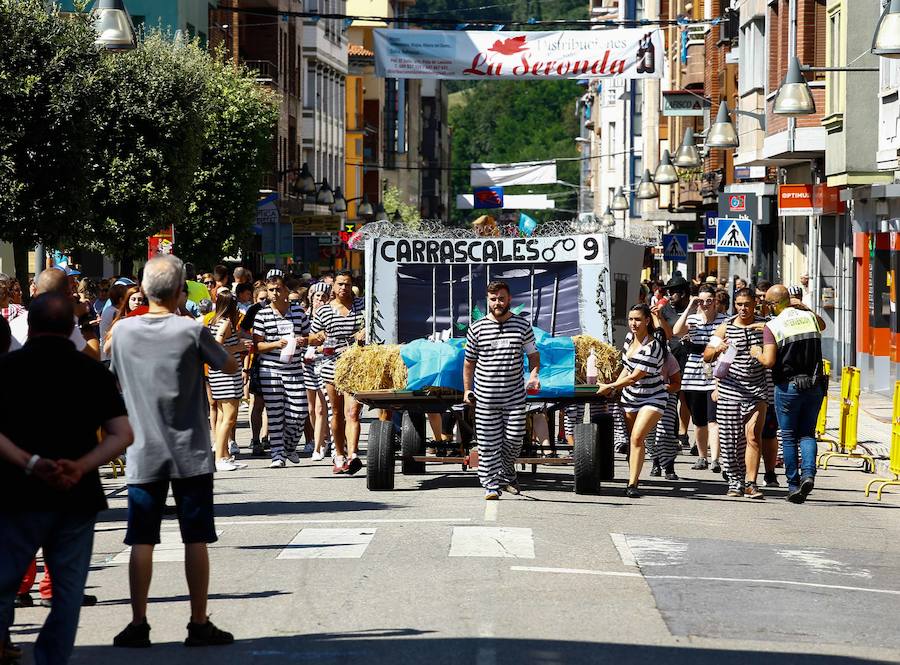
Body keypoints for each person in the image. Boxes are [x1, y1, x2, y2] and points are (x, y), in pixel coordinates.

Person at [107, 255, 238, 648]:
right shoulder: (190, 330)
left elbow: (112, 375)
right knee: (195, 539)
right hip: (190, 451)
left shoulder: (124, 333)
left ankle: (138, 622)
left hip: (142, 450)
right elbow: (228, 365)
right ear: (181, 291)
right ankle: (198, 622)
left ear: (144, 291)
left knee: (141, 541)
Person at [0, 293, 133, 665]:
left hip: (16, 491)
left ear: (30, 327)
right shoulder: (91, 371)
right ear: (72, 328)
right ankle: (51, 657)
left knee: (2, 585)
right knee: (68, 592)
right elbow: (123, 434)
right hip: (77, 494)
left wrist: (30, 463)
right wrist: (82, 465)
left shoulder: (7, 368)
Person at [463, 280, 540, 499]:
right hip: (485, 398)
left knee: (515, 439)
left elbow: (533, 356)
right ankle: (490, 485)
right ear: (488, 300)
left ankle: (507, 471)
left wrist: (533, 375)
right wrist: (467, 390)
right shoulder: (476, 328)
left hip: (514, 397)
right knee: (488, 444)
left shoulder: (522, 326)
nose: (498, 303)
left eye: (501, 298)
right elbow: (469, 363)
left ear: (509, 299)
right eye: (493, 299)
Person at [754, 284, 826, 504]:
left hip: (788, 387)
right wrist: (803, 307)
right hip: (814, 386)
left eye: (768, 304)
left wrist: (756, 352)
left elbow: (769, 361)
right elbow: (822, 325)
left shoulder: (773, 325)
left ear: (774, 304)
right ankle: (809, 474)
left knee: (787, 436)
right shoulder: (809, 318)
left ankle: (794, 485)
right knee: (807, 433)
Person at [596, 304, 667, 498]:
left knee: (637, 437)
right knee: (633, 440)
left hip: (653, 397)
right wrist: (615, 386)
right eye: (630, 319)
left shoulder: (652, 346)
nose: (633, 323)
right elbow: (626, 369)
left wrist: (610, 387)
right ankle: (632, 476)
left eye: (637, 319)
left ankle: (632, 484)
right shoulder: (628, 339)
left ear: (647, 321)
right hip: (631, 397)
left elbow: (635, 376)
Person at [704, 288, 769, 499]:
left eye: (747, 304)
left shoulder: (764, 326)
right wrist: (717, 349)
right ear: (735, 305)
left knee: (753, 437)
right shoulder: (725, 327)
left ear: (754, 305)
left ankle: (751, 483)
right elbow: (706, 355)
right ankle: (735, 480)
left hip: (757, 390)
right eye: (740, 304)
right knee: (730, 441)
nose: (743, 308)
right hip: (730, 390)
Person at [309, 271, 366, 475]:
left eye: (347, 284)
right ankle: (339, 454)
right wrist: (317, 339)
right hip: (331, 364)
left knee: (353, 412)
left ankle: (353, 455)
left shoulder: (362, 307)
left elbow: (375, 326)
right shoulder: (324, 311)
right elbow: (313, 338)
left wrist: (365, 331)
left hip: (355, 364)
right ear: (333, 287)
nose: (344, 288)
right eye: (340, 284)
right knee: (336, 412)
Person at [252, 274, 311, 468]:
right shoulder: (262, 315)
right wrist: (276, 343)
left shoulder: (298, 312)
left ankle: (289, 446)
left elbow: (309, 337)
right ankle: (277, 454)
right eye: (271, 290)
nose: (275, 293)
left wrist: (303, 341)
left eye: (278, 289)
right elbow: (257, 346)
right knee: (275, 414)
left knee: (300, 412)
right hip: (270, 369)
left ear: (286, 290)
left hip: (294, 368)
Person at [673, 284, 725, 472]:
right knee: (699, 420)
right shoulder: (693, 318)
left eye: (709, 301)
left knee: (714, 419)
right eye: (701, 301)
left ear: (715, 301)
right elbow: (676, 331)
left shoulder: (724, 320)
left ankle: (715, 459)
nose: (705, 304)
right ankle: (702, 456)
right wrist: (690, 307)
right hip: (694, 372)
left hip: (716, 372)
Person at [8, 268, 98, 361]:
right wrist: (84, 320)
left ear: (36, 292)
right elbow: (93, 357)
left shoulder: (14, 324)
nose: (75, 295)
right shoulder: (62, 325)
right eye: (72, 289)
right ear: (67, 295)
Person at [207, 291, 248, 471]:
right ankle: (220, 458)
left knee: (222, 416)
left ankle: (223, 454)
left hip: (217, 373)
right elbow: (217, 345)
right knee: (229, 419)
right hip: (227, 374)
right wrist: (238, 346)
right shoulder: (226, 323)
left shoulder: (213, 321)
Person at [304, 284, 334, 462]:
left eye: (323, 296)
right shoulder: (304, 315)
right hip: (307, 364)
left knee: (321, 407)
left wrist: (320, 347)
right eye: (317, 296)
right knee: (311, 408)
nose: (319, 300)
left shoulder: (329, 315)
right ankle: (321, 438)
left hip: (324, 362)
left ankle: (320, 445)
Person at [240, 285, 271, 456]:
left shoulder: (284, 309)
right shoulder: (254, 310)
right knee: (258, 403)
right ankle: (256, 439)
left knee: (275, 405)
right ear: (255, 299)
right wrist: (253, 342)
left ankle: (270, 438)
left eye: (267, 297)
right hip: (259, 361)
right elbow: (243, 330)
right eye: (262, 298)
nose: (265, 301)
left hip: (280, 360)